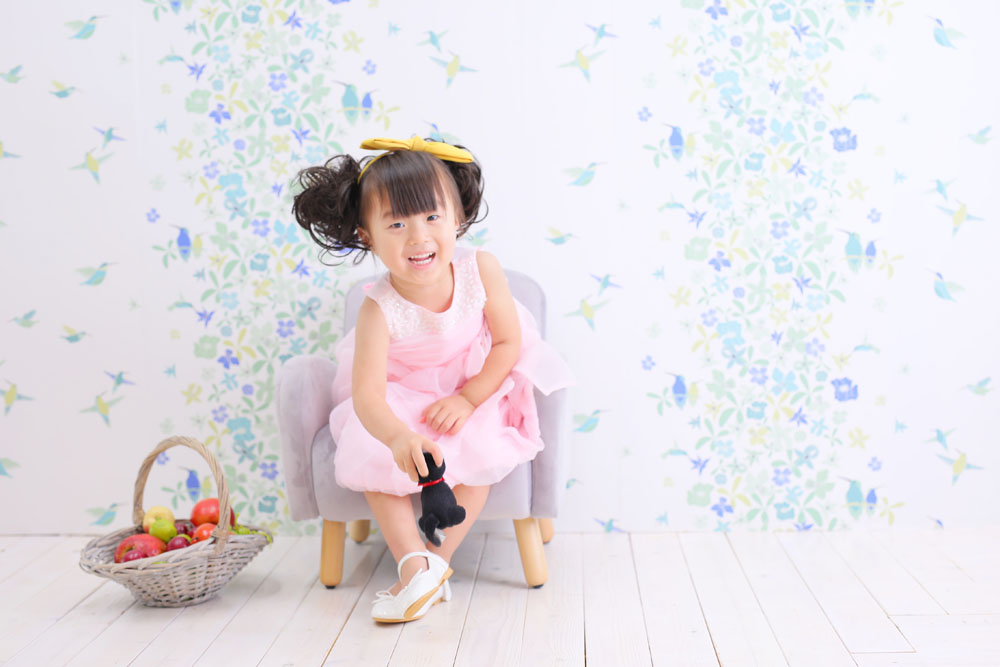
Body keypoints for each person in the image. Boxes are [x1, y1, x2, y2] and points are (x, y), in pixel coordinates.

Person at [291, 136, 573, 623]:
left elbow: (507, 343)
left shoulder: (480, 269)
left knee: (481, 448)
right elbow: (367, 396)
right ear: (366, 236)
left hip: (474, 382)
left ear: (457, 217)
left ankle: (436, 562)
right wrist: (398, 438)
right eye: (396, 224)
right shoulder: (377, 309)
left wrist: (468, 399)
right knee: (370, 450)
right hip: (401, 396)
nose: (418, 237)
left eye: (431, 217)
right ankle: (412, 565)